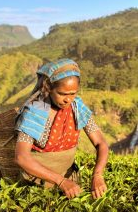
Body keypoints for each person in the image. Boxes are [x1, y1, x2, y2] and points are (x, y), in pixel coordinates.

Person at [14, 58, 109, 199]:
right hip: (35, 185)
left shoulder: (77, 107)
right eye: (62, 94)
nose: (68, 99)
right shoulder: (35, 112)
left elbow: (101, 143)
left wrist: (98, 175)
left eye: (73, 93)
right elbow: (21, 158)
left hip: (70, 181)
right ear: (48, 88)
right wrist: (60, 181)